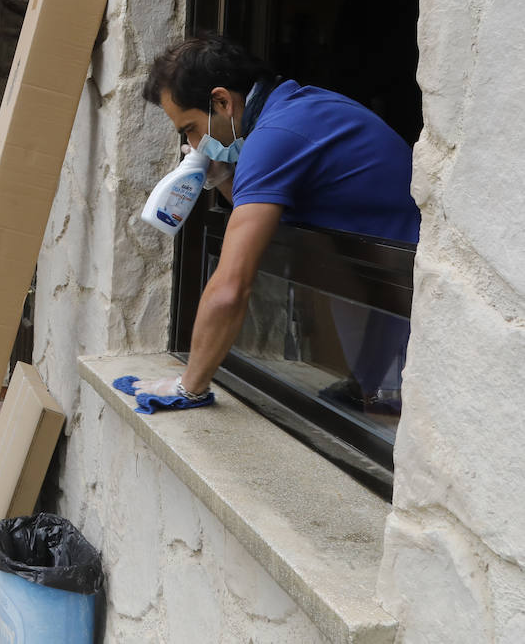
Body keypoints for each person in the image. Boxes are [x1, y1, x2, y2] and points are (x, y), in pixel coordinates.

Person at [134, 34, 420, 404]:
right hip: (393, 293)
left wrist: (188, 385)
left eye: (190, 128)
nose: (194, 142)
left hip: (418, 298)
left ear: (221, 101)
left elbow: (231, 286)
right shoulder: (294, 105)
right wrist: (222, 178)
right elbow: (265, 213)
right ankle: (363, 386)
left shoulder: (272, 137)